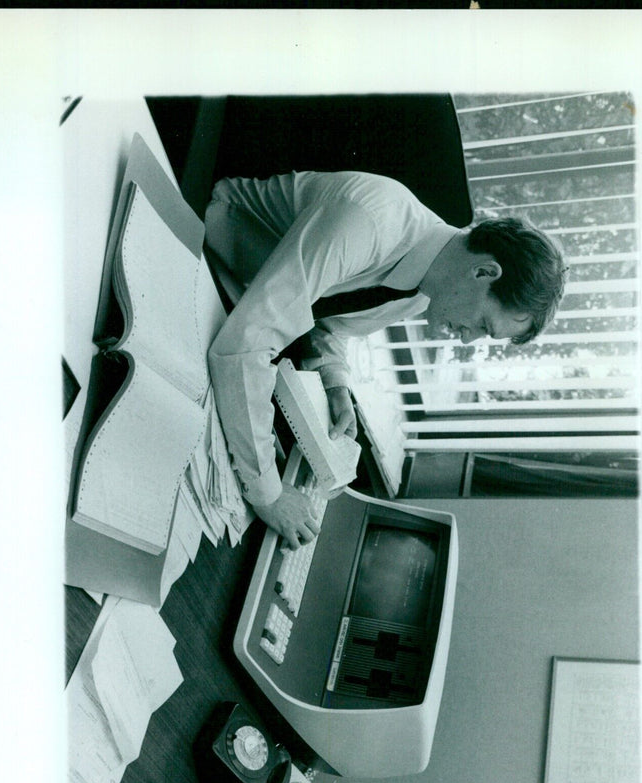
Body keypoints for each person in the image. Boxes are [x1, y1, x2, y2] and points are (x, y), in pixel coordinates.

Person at [204, 169, 565, 547]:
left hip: (234, 300)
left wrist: (334, 379)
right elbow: (243, 346)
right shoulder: (371, 221)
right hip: (203, 239)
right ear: (484, 271)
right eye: (484, 325)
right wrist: (270, 495)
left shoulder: (422, 288)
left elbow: (329, 318)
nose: (466, 341)